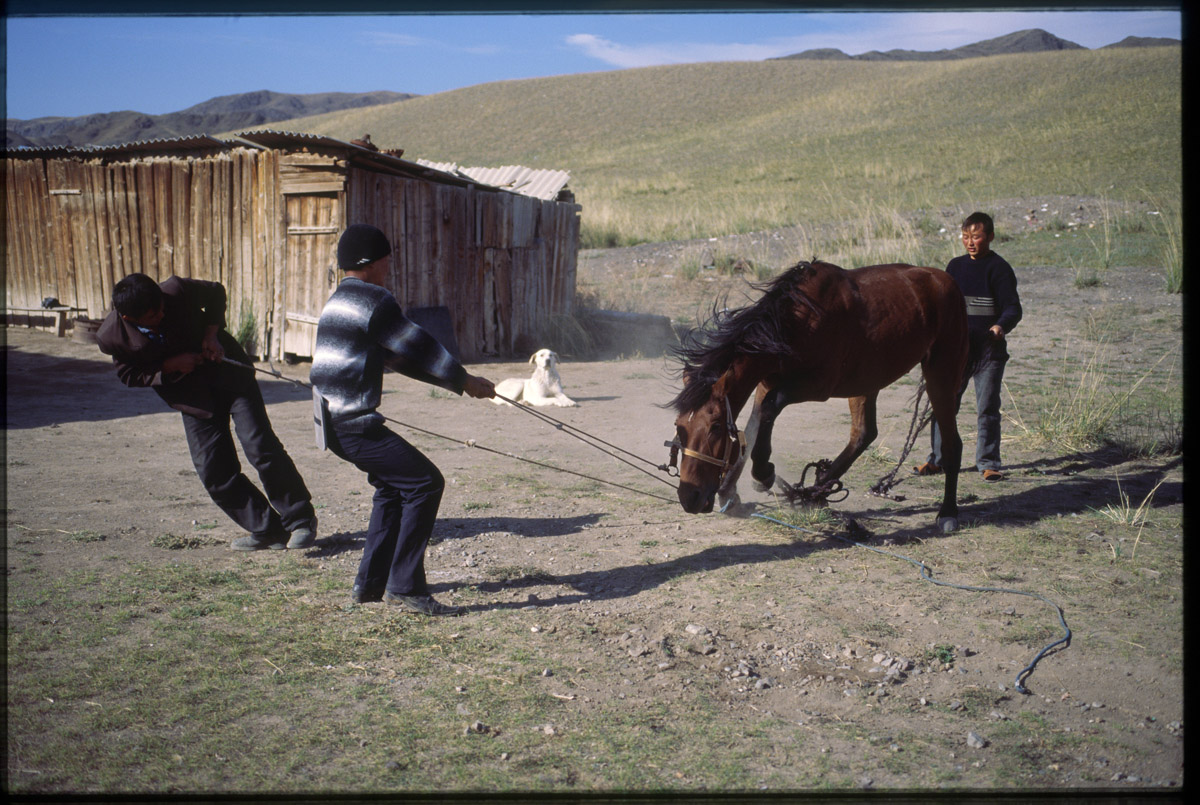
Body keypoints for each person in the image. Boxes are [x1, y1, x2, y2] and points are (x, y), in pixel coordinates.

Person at [310, 224, 496, 616]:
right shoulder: (373, 300)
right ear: (373, 263)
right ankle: (406, 587)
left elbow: (398, 358)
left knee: (394, 488)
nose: (389, 268)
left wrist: (459, 384)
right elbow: (417, 345)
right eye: (387, 261)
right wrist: (465, 379)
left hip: (331, 423)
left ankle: (370, 584)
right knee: (425, 484)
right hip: (353, 424)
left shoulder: (338, 300)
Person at [97, 274, 318, 549]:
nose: (162, 314)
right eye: (154, 315)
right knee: (214, 471)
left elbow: (216, 292)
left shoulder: (175, 289)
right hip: (192, 398)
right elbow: (129, 374)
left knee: (259, 445)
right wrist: (170, 366)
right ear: (130, 319)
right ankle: (267, 528)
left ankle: (300, 520)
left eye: (163, 307)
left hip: (231, 375)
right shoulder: (112, 337)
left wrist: (211, 334)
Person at [916, 211, 1022, 482]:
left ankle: (988, 463)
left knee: (987, 406)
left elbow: (1013, 308)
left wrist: (1000, 326)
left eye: (976, 237)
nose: (970, 242)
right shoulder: (954, 267)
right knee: (944, 403)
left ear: (990, 237)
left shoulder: (999, 268)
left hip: (989, 350)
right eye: (965, 237)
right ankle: (937, 460)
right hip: (957, 351)